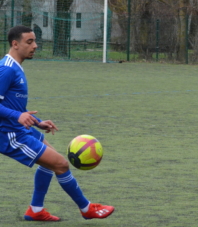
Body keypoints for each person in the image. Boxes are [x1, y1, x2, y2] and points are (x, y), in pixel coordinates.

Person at [0, 25, 114, 221]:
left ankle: (35, 210)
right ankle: (87, 209)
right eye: (30, 42)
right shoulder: (7, 69)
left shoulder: (15, 67)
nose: (35, 46)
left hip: (21, 129)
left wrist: (37, 122)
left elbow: (13, 106)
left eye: (35, 41)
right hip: (9, 135)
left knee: (51, 161)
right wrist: (18, 117)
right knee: (61, 164)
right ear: (15, 44)